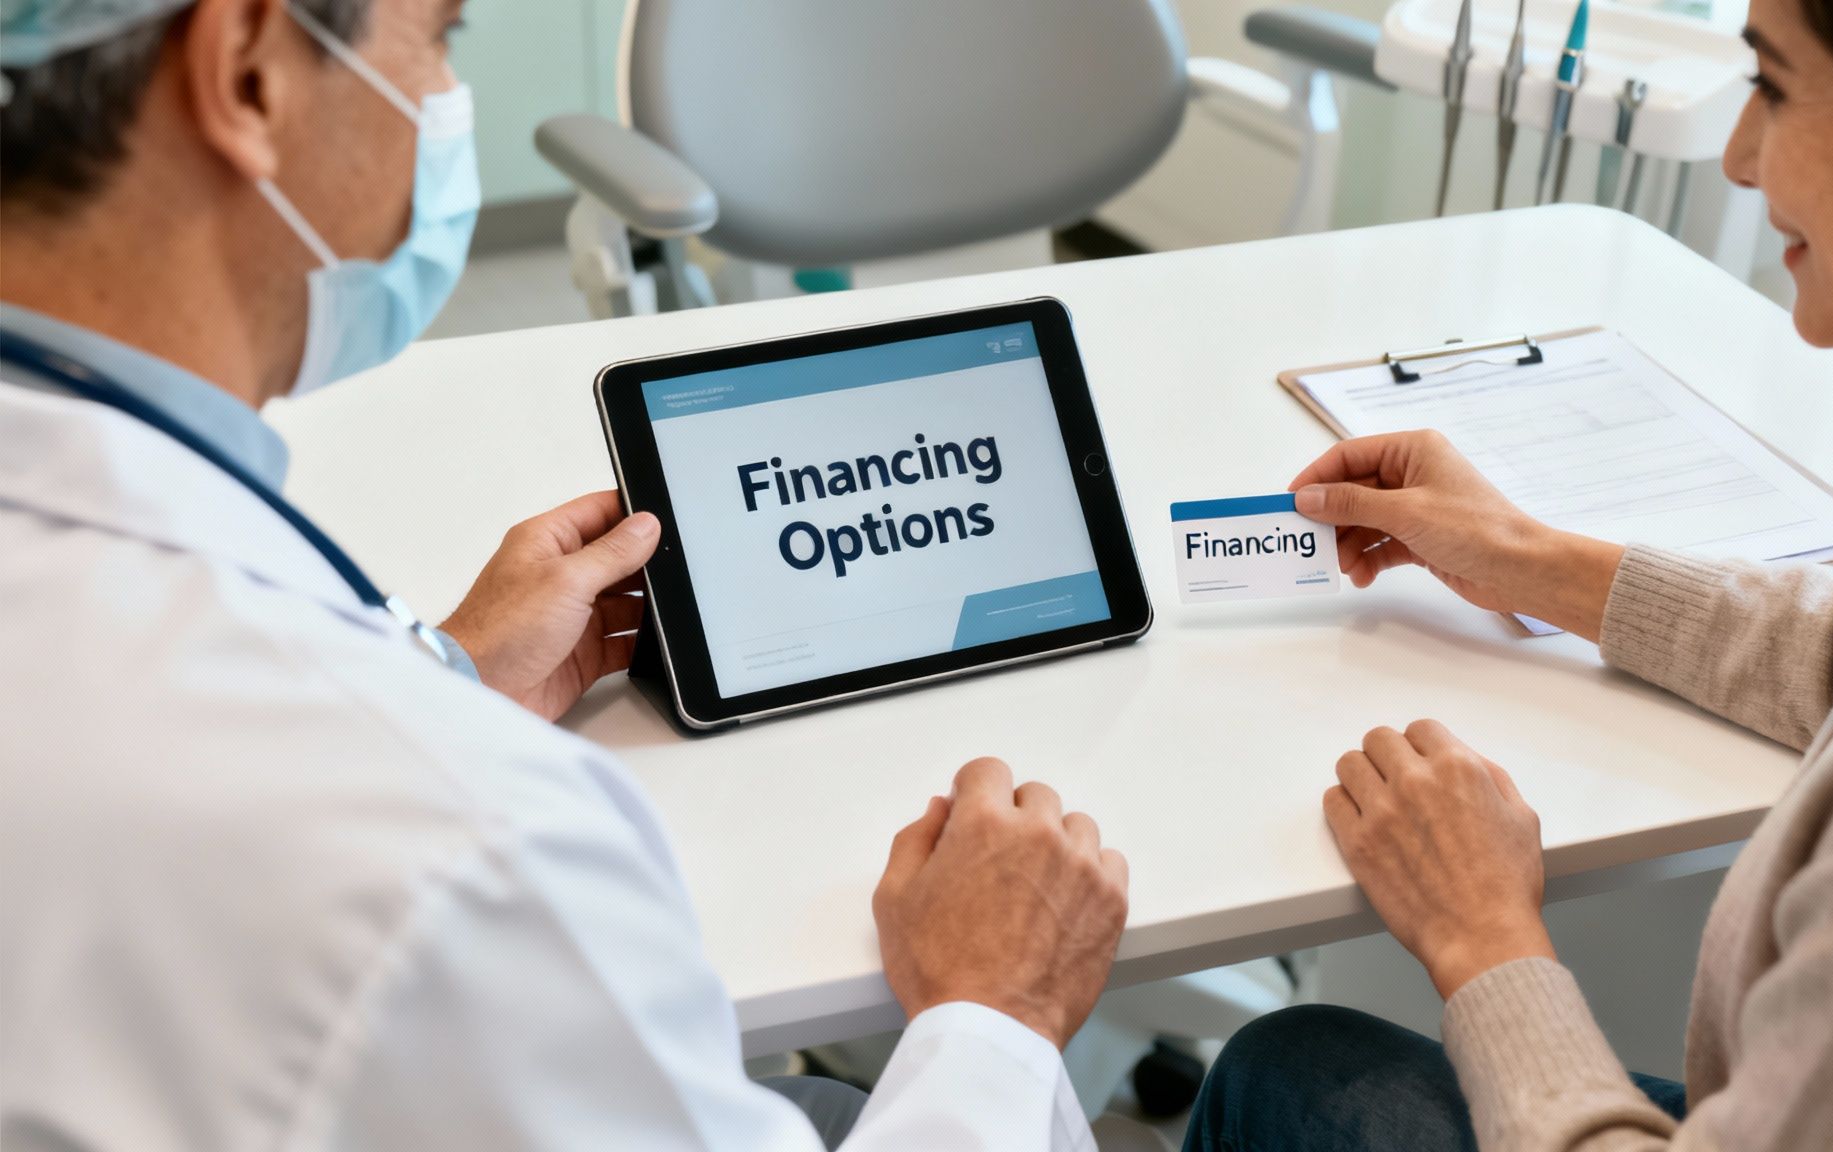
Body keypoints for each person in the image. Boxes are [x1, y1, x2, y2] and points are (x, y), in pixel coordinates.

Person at [0, 1, 1130, 1148]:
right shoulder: (461, 850)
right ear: (245, 74)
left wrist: (443, 676)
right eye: (440, 36)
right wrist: (997, 1016)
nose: (443, 100)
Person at [1183, 0, 1833, 1147]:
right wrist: (1522, 559)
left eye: (1776, 88)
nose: (1738, 158)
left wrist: (1481, 933)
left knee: (1282, 1074)